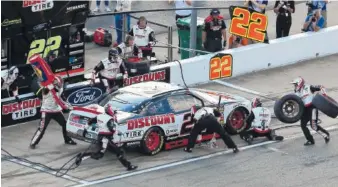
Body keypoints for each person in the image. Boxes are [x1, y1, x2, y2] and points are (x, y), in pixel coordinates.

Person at [75, 104, 137, 171]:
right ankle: (128, 166)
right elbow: (111, 129)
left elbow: (90, 122)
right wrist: (117, 132)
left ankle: (81, 156)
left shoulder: (99, 116)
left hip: (102, 137)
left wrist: (85, 129)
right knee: (116, 152)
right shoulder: (110, 119)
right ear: (110, 111)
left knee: (103, 154)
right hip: (106, 138)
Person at [30, 76, 77, 149]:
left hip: (56, 110)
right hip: (46, 111)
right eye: (59, 84)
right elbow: (44, 92)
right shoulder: (47, 88)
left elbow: (60, 98)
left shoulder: (60, 88)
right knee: (42, 128)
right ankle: (33, 143)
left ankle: (67, 139)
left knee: (65, 124)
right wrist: (50, 86)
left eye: (61, 84)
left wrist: (67, 105)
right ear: (55, 83)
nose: (60, 85)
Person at [290, 77, 330, 146]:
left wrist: (324, 96)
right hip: (304, 110)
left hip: (312, 108)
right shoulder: (296, 91)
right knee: (303, 125)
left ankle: (326, 135)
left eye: (295, 84)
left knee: (313, 126)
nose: (295, 86)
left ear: (299, 83)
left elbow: (321, 87)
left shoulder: (309, 87)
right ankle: (310, 140)